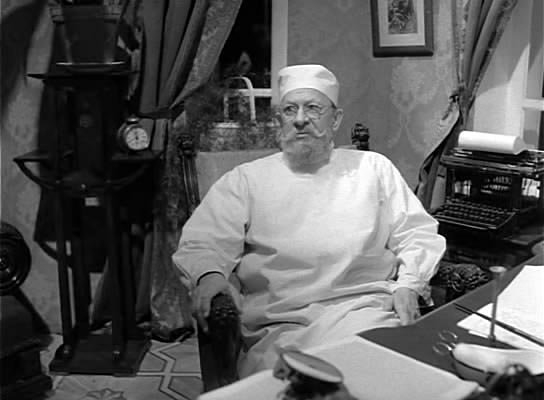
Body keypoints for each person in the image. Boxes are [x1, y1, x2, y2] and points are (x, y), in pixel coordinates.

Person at [173, 64, 446, 377]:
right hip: (281, 326)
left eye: (313, 108)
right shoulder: (246, 180)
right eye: (290, 109)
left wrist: (410, 284)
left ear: (336, 119)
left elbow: (417, 233)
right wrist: (209, 275)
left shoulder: (373, 169)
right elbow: (204, 240)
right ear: (279, 120)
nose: (300, 119)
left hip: (365, 313)